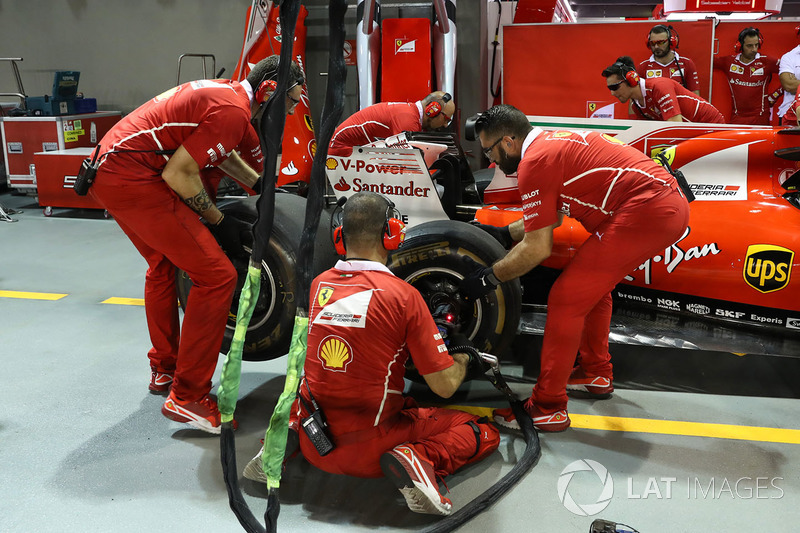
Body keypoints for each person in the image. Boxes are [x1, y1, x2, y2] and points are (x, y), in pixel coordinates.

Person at [245, 191, 499, 515]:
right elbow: (444, 386)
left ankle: (284, 439)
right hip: (374, 450)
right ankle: (418, 458)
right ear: (392, 233)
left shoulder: (319, 285)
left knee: (315, 390)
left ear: (339, 237)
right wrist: (463, 355)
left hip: (316, 441)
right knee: (478, 430)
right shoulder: (404, 297)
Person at [89, 55, 305, 434]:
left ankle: (165, 370)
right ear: (270, 91)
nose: (291, 110)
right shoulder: (232, 113)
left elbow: (219, 154)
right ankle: (188, 396)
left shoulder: (227, 98)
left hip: (108, 171)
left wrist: (259, 184)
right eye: (291, 101)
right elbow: (179, 173)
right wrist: (218, 222)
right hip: (134, 176)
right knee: (217, 276)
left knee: (163, 265)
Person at [460, 105, 690, 432]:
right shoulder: (549, 145)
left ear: (508, 141)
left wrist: (490, 277)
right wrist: (504, 233)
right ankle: (596, 373)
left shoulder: (535, 161)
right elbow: (550, 217)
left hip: (648, 209)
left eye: (489, 151)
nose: (491, 161)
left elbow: (537, 248)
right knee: (593, 291)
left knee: (565, 299)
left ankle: (547, 406)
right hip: (658, 204)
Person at [327, 91, 455, 156]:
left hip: (352, 149)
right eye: (446, 119)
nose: (445, 125)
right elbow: (406, 163)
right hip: (342, 151)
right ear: (433, 110)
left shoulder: (410, 114)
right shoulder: (409, 122)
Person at [604, 56, 724, 123]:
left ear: (632, 79)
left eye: (615, 87)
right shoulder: (637, 107)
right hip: (691, 131)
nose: (612, 93)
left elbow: (675, 125)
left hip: (711, 125)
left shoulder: (659, 86)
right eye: (609, 88)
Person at [713, 27, 780, 125]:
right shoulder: (729, 62)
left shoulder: (767, 61)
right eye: (749, 46)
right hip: (738, 117)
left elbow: (792, 73)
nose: (754, 49)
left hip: (760, 117)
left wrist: (774, 96)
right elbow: (706, 60)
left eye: (756, 45)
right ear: (740, 45)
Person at [638, 24, 701, 95]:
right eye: (652, 43)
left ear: (671, 42)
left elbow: (695, 96)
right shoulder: (643, 67)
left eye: (660, 42)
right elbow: (635, 100)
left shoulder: (686, 64)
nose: (656, 47)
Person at [778, 31, 800, 123]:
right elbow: (789, 85)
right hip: (789, 114)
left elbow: (794, 85)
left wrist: (797, 82)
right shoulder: (789, 57)